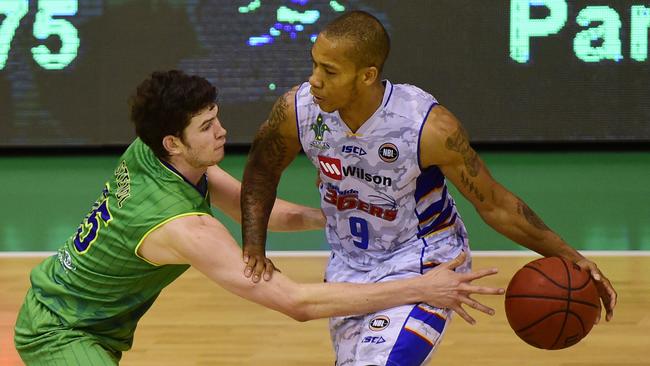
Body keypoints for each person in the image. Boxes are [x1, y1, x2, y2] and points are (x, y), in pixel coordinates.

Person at [13, 70, 504, 365]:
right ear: (173, 142)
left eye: (217, 117)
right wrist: (422, 288)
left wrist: (340, 211)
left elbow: (264, 211)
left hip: (76, 309)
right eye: (207, 127)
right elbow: (295, 302)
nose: (223, 133)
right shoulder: (184, 227)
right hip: (64, 330)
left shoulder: (152, 154)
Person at [240, 10, 618, 366]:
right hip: (349, 267)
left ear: (368, 76)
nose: (314, 80)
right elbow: (260, 171)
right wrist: (254, 245)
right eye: (314, 64)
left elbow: (495, 205)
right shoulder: (299, 110)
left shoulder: (426, 126)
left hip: (423, 261)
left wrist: (571, 256)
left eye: (329, 70)